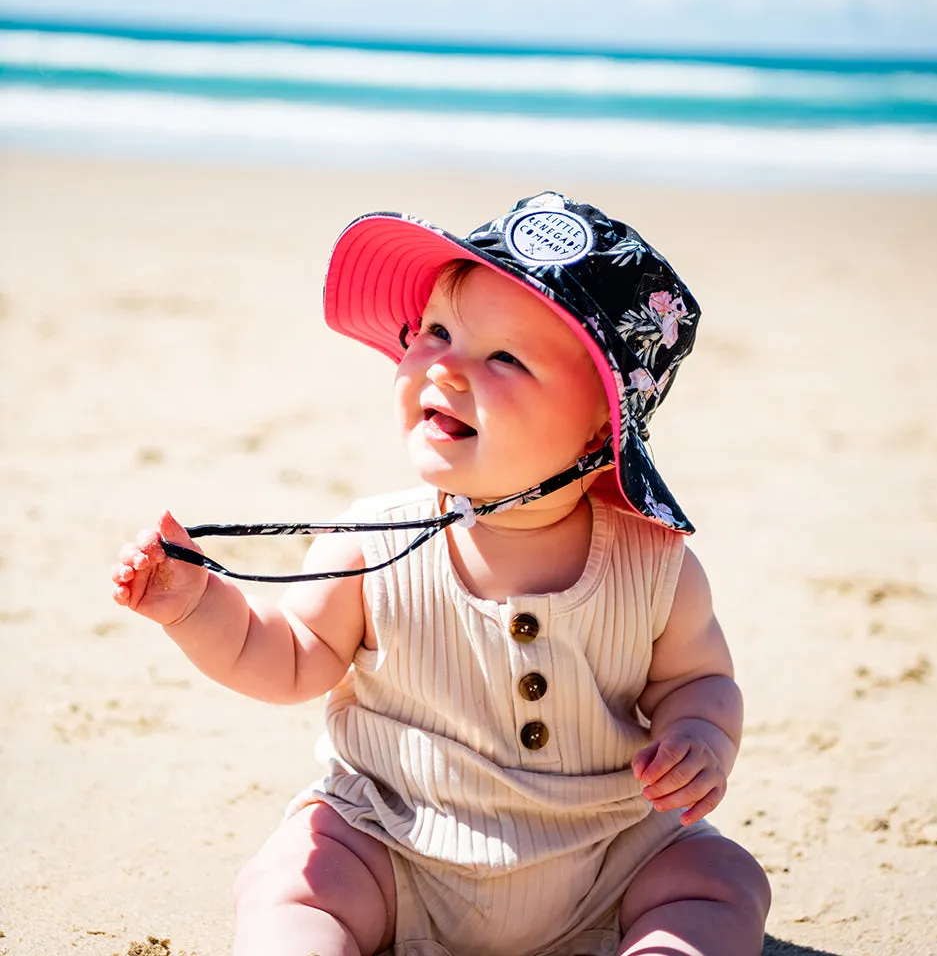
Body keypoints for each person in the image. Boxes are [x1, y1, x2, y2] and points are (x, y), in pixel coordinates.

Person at [111, 192, 770, 956]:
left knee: (721, 879)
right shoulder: (368, 541)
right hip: (395, 843)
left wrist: (700, 736)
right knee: (296, 877)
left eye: (504, 358)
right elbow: (289, 656)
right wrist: (198, 608)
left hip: (608, 854)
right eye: (435, 332)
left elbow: (699, 680)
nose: (444, 367)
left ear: (603, 425)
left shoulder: (655, 565)